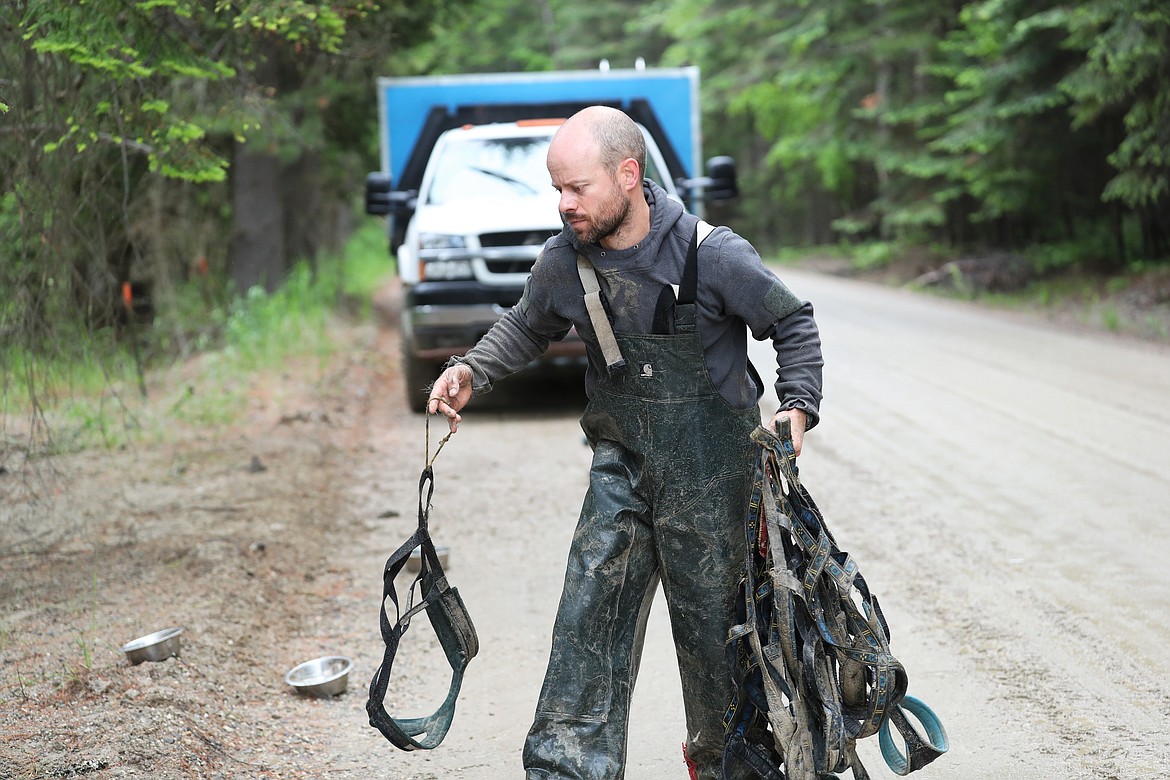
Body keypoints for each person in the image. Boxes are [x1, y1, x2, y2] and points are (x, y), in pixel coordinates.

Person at [427, 105, 823, 780]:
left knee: (717, 646)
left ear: (628, 174)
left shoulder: (711, 254)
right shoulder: (565, 261)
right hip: (623, 469)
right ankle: (568, 768)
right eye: (557, 188)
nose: (563, 204)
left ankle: (733, 766)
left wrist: (797, 406)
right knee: (587, 619)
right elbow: (527, 325)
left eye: (576, 187)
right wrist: (470, 369)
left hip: (716, 483)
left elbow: (793, 323)